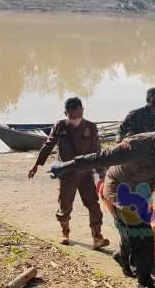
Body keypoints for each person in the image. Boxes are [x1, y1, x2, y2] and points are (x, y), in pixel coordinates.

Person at [49, 127, 155, 288]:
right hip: (119, 191)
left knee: (131, 232)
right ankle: (143, 281)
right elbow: (98, 158)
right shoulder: (134, 147)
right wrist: (66, 166)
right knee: (144, 236)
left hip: (142, 194)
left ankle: (122, 256)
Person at [28, 97, 109, 249]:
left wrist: (102, 173)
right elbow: (48, 145)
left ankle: (97, 237)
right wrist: (37, 165)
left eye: (79, 115)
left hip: (86, 173)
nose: (76, 119)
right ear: (66, 113)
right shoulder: (60, 126)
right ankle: (65, 233)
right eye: (72, 116)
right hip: (67, 173)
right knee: (65, 205)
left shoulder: (91, 127)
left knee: (93, 204)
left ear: (83, 111)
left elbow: (97, 152)